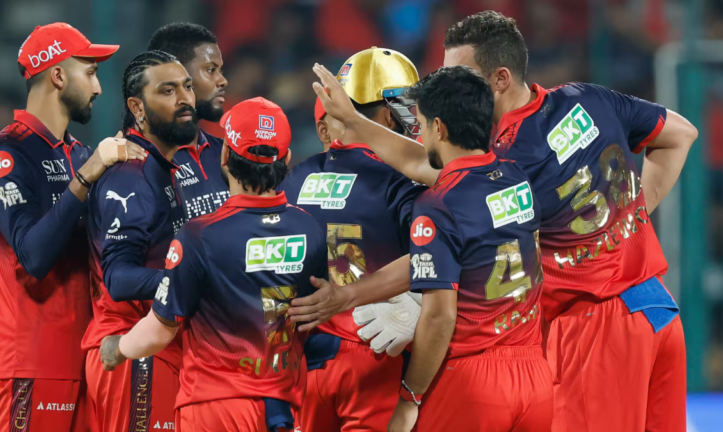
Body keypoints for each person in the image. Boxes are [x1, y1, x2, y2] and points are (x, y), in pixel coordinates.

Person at [300, 10, 698, 432]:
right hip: (657, 309)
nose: (452, 86)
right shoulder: (589, 98)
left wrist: (353, 295)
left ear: (501, 79)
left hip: (595, 326)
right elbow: (681, 134)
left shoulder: (508, 163)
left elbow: (426, 175)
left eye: (462, 76)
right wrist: (633, 214)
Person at [99, 97, 327, 432]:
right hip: (281, 410)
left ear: (224, 157)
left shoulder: (199, 236)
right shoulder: (310, 229)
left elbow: (162, 328)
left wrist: (118, 348)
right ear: (287, 160)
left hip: (213, 410)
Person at [0, 22, 142, 432]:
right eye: (89, 72)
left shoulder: (79, 153)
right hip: (30, 361)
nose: (98, 87)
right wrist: (89, 174)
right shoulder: (9, 153)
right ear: (57, 75)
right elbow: (32, 256)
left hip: (86, 359)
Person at [388, 65, 550, 432]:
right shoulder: (516, 177)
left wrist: (409, 396)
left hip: (473, 381)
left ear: (439, 128)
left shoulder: (437, 203)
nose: (423, 133)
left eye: (423, 123)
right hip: (535, 376)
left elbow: (439, 316)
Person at [278, 47, 426, 432]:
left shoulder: (293, 180)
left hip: (301, 360)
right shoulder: (404, 181)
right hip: (377, 354)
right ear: (389, 115)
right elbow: (441, 253)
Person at [82, 50, 195, 432]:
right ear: (137, 107)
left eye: (187, 87)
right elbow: (118, 277)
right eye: (167, 90)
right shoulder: (130, 175)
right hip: (130, 352)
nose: (185, 99)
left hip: (152, 349)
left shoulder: (159, 168)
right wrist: (187, 281)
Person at [147, 23, 231, 219]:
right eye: (211, 69)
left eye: (221, 70)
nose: (222, 80)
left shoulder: (228, 154)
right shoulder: (138, 163)